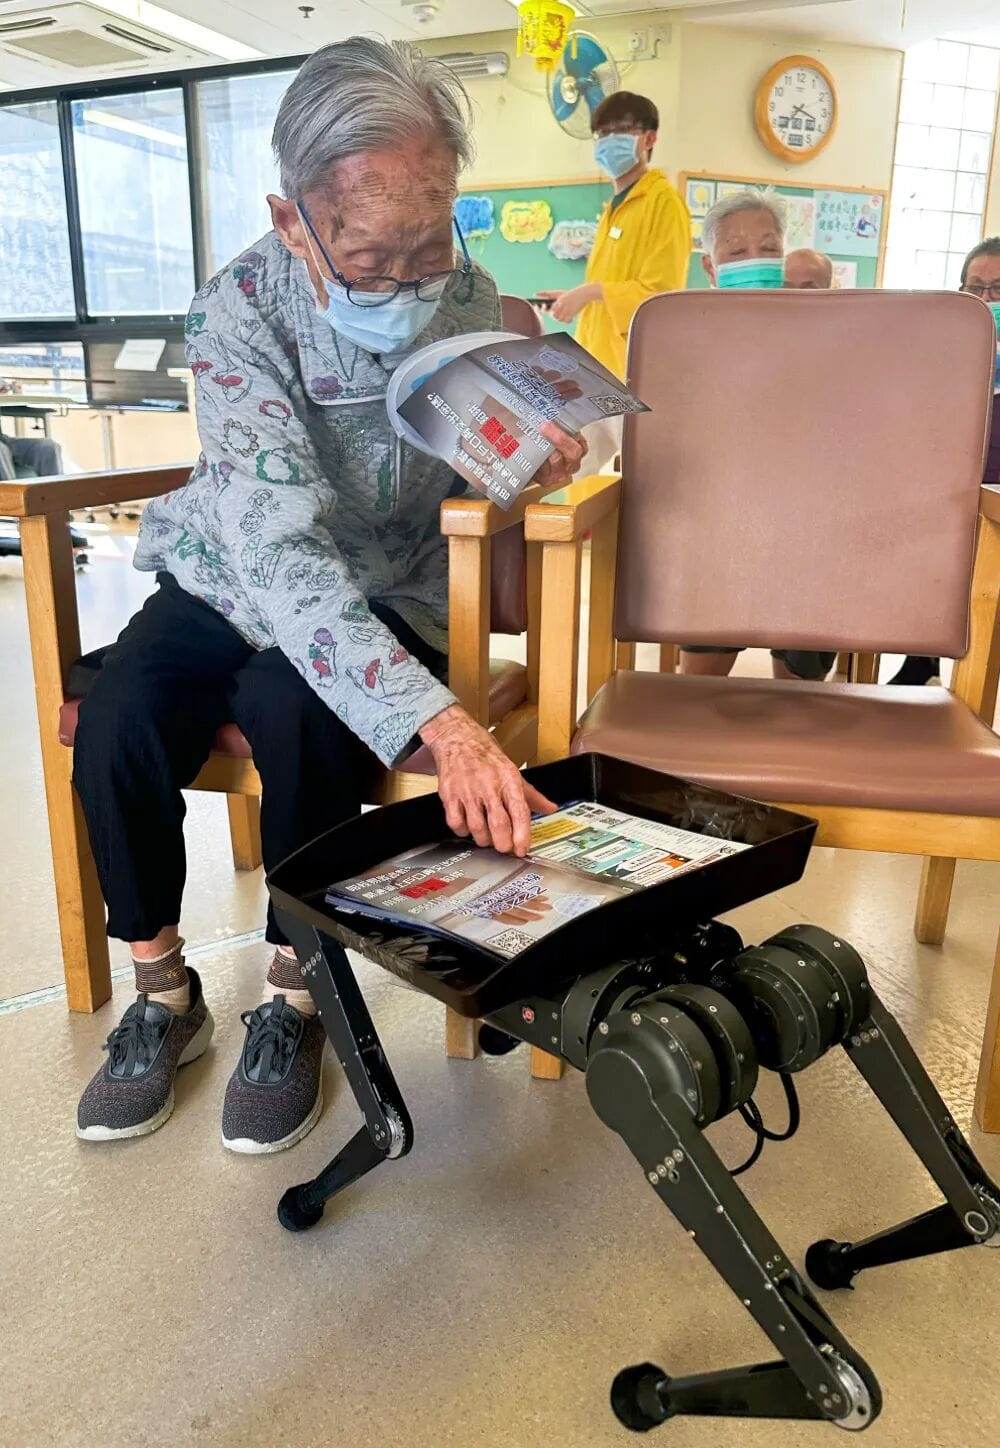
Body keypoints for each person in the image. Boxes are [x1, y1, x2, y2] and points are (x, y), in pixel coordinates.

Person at [72, 38, 585, 1154]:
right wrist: (443, 725)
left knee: (296, 709)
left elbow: (466, 463)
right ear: (293, 218)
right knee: (119, 717)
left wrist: (529, 465)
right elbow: (277, 548)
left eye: (429, 244)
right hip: (235, 567)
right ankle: (162, 993)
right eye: (369, 256)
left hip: (390, 577)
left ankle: (296, 992)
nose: (409, 283)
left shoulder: (469, 294)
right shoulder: (235, 312)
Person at [889, 236, 1000, 689]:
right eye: (974, 287)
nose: (985, 298)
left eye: (999, 288)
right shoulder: (933, 354)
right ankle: (921, 660)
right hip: (945, 503)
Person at [679, 190, 836, 683]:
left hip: (810, 527)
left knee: (797, 698)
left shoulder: (834, 339)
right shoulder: (682, 334)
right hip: (718, 527)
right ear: (710, 266)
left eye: (767, 249)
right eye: (737, 251)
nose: (755, 261)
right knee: (697, 691)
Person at [535, 91, 689, 472]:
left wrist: (590, 292)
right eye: (602, 133)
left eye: (621, 131)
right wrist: (579, 297)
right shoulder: (614, 208)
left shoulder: (663, 203)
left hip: (632, 373)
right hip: (593, 368)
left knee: (641, 476)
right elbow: (615, 284)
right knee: (579, 476)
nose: (608, 142)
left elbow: (661, 299)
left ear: (649, 138)